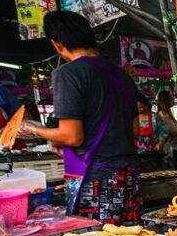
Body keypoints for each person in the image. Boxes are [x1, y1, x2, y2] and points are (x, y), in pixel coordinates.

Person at [18, 11, 141, 224]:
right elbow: (135, 131)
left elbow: (72, 136)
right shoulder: (122, 76)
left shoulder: (69, 73)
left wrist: (33, 128)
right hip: (128, 175)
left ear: (57, 44)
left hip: (96, 179)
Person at [156, 91, 177, 167]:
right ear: (166, 100)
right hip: (171, 148)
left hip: (175, 146)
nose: (173, 99)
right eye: (171, 98)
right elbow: (170, 130)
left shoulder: (167, 113)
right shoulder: (163, 114)